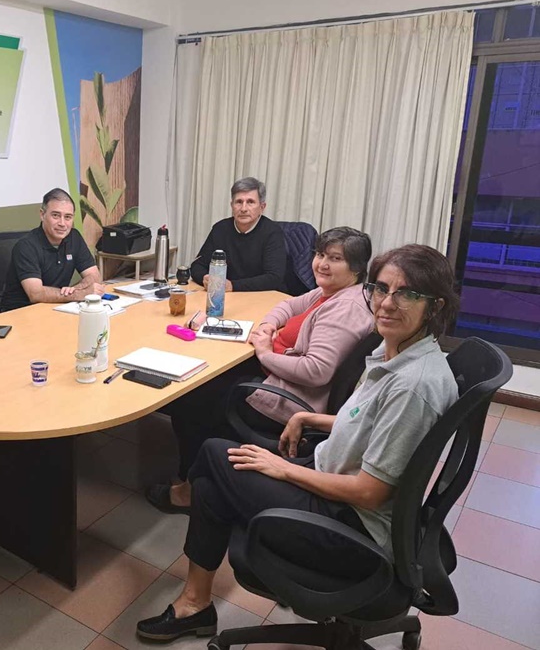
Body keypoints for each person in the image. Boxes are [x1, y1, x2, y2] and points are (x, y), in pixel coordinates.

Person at [136, 244, 460, 642]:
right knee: (215, 474)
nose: (387, 303)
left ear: (435, 306)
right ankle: (194, 602)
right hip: (333, 481)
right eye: (381, 288)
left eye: (407, 294)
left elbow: (369, 493)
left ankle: (194, 602)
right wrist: (307, 416)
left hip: (350, 526)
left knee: (214, 457)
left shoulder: (414, 385)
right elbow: (369, 420)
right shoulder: (400, 352)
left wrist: (284, 468)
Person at [147, 227, 374, 514]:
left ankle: (189, 490)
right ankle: (196, 473)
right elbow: (288, 304)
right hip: (279, 375)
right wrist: (268, 326)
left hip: (288, 396)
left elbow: (316, 370)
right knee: (206, 376)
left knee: (190, 399)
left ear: (355, 267)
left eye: (335, 258)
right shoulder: (330, 292)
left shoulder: (346, 309)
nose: (322, 264)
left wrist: (266, 353)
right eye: (319, 255)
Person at [0, 187, 103, 312]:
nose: (62, 223)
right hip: (20, 312)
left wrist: (78, 289)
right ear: (42, 215)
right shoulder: (26, 246)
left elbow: (94, 276)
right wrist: (79, 294)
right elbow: (35, 294)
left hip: (55, 307)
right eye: (56, 215)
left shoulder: (74, 237)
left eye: (68, 217)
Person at [190, 177, 287, 292]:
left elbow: (274, 278)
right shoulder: (220, 229)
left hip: (260, 297)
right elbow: (197, 265)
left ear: (262, 207)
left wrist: (233, 286)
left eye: (250, 202)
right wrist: (205, 278)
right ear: (232, 206)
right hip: (227, 296)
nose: (243, 208)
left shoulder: (272, 232)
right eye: (239, 202)